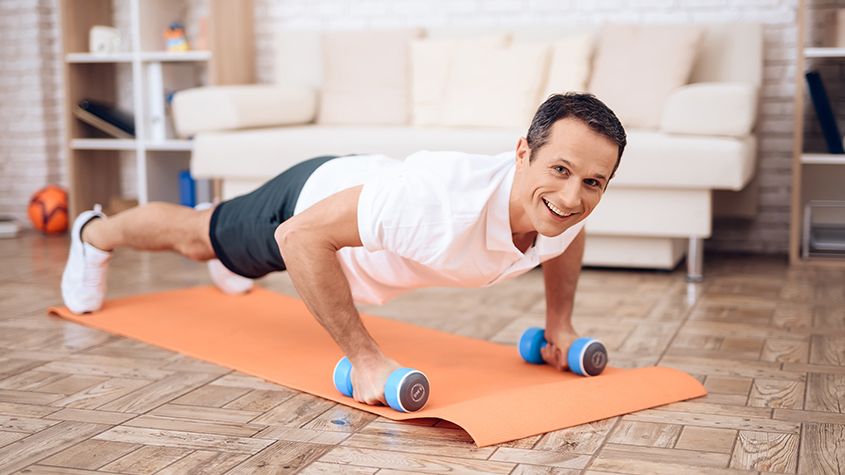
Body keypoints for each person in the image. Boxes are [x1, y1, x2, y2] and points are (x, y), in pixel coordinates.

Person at [61, 92, 626, 407]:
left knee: (220, 237)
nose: (572, 197)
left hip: (363, 195)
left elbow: (567, 238)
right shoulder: (437, 204)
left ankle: (227, 248)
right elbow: (299, 237)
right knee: (196, 238)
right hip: (305, 206)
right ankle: (93, 234)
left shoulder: (560, 208)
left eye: (593, 182)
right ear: (522, 152)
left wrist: (561, 325)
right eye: (560, 169)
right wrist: (366, 359)